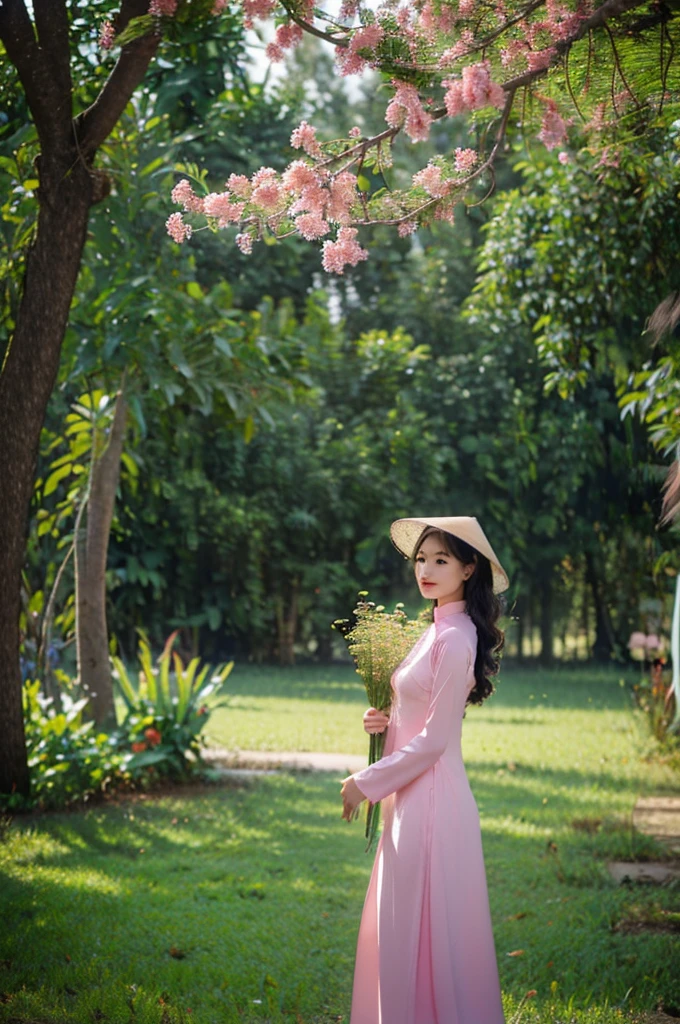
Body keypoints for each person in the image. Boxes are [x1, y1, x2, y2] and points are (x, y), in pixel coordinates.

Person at [340, 516, 508, 1024]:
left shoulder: (455, 638)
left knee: (418, 934)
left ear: (468, 567)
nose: (427, 570)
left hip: (431, 805)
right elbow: (418, 720)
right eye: (420, 560)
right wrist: (386, 719)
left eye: (441, 560)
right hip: (414, 801)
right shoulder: (437, 629)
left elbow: (435, 741)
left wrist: (365, 783)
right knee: (405, 932)